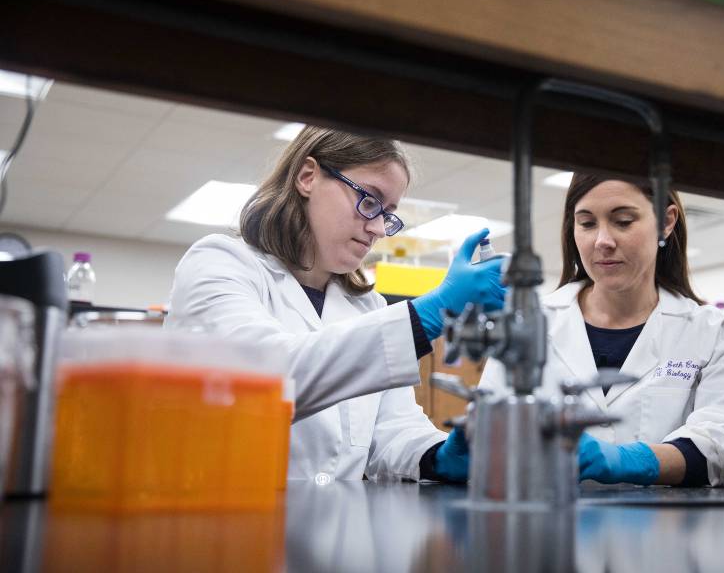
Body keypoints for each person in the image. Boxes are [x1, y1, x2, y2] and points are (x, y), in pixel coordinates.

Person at [166, 126, 502, 482]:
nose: (378, 229)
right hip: (228, 521)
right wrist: (430, 313)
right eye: (369, 201)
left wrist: (439, 455)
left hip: (338, 527)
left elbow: (392, 428)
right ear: (308, 176)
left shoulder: (366, 304)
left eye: (387, 214)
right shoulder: (219, 262)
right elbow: (263, 381)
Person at [479, 173, 724, 487]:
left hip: (668, 530)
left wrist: (634, 462)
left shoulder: (715, 331)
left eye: (623, 221)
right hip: (550, 527)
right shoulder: (527, 324)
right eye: (587, 224)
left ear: (666, 222)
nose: (603, 241)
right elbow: (486, 433)